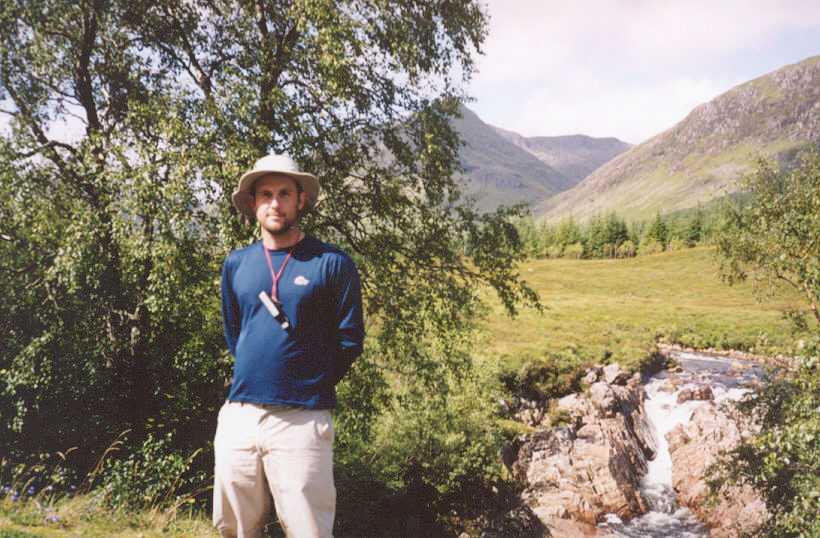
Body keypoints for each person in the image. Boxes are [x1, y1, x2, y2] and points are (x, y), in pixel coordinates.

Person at [213, 154, 364, 538]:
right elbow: (236, 333)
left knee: (307, 529)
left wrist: (309, 384)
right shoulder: (236, 264)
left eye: (284, 194)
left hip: (302, 419)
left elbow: (349, 339)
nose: (275, 203)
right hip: (240, 414)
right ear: (253, 204)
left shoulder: (331, 263)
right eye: (266, 194)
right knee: (235, 528)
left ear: (301, 200)